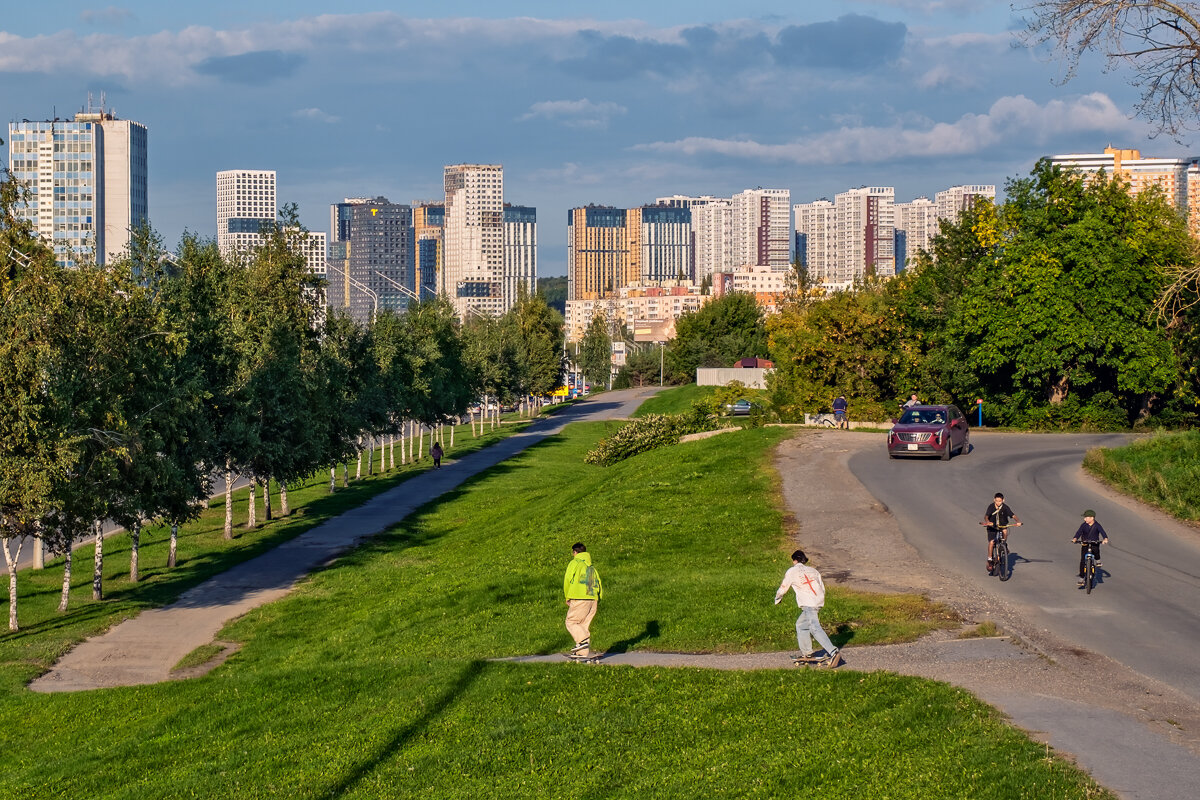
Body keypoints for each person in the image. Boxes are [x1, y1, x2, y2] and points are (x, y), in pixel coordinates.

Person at [774, 549, 842, 666]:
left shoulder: (792, 571)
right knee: (801, 625)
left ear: (794, 560)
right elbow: (822, 587)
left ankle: (833, 652)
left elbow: (783, 586)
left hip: (808, 603)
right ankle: (807, 653)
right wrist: (819, 601)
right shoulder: (813, 571)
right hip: (817, 601)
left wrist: (778, 599)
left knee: (814, 627)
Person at [563, 542, 602, 658]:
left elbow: (568, 579)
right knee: (583, 625)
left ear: (575, 552)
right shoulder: (591, 566)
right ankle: (582, 653)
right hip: (593, 598)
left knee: (571, 622)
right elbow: (598, 582)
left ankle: (582, 642)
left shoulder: (575, 562)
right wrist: (598, 598)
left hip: (580, 597)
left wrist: (567, 596)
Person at [980, 493, 1021, 574]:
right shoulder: (991, 506)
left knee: (1005, 531)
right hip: (992, 527)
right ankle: (990, 559)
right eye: (997, 501)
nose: (998, 502)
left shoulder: (1005, 507)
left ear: (1003, 500)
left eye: (1000, 501)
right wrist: (988, 522)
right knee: (992, 542)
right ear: (994, 500)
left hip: (1002, 525)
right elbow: (986, 516)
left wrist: (1018, 521)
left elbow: (1013, 515)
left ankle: (1004, 544)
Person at [1071, 510, 1109, 586]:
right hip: (1085, 543)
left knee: (1096, 551)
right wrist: (1075, 538)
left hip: (1094, 543)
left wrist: (1105, 539)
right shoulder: (1083, 525)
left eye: (1086, 517)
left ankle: (1098, 560)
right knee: (1082, 561)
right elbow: (1079, 532)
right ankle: (1082, 578)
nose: (1084, 519)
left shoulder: (1097, 525)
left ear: (1092, 518)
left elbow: (1103, 532)